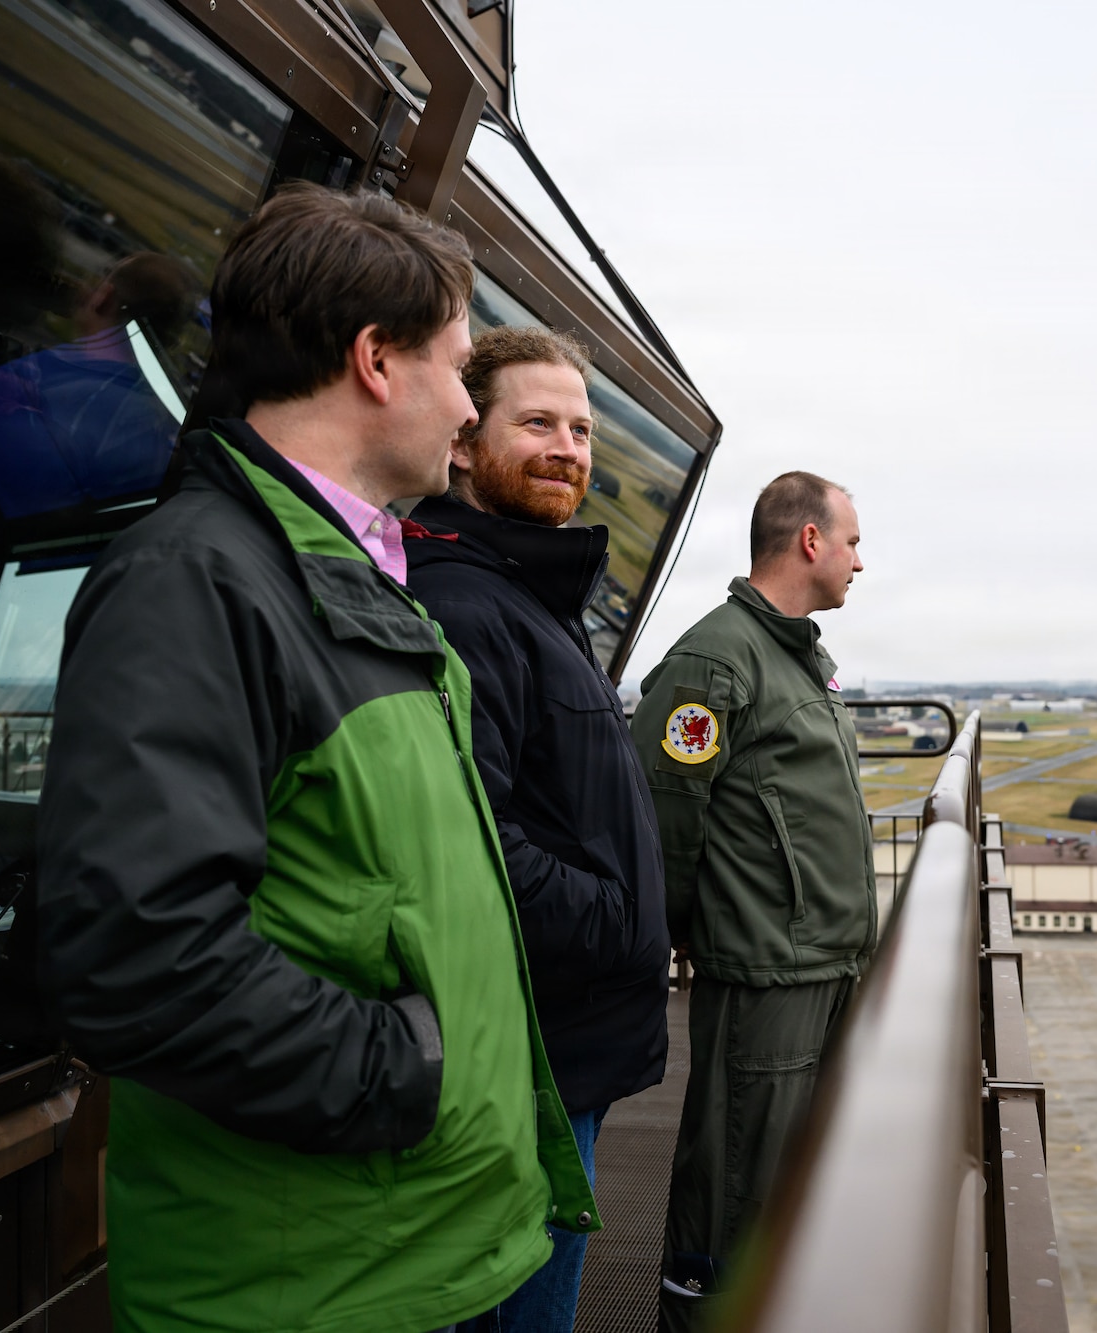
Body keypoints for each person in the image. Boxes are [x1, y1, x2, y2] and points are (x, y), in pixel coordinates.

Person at [34, 183, 598, 1333]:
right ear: (374, 362)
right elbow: (137, 955)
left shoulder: (348, 577)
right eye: (454, 366)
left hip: (397, 1249)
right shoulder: (195, 579)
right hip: (309, 1279)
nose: (464, 404)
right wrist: (409, 1073)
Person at [408, 326, 670, 1332]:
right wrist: (612, 919)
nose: (569, 447)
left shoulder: (525, 595)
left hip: (563, 1046)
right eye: (537, 423)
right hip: (526, 1058)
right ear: (466, 440)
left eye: (580, 427)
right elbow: (466, 841)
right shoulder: (463, 604)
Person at [629, 471, 874, 1332]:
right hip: (765, 974)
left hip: (822, 967)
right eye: (851, 541)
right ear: (810, 541)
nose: (859, 561)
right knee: (736, 1185)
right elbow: (662, 823)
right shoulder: (715, 661)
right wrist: (697, 933)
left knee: (792, 1186)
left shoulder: (798, 654)